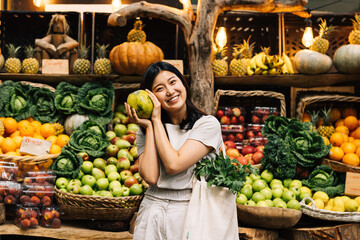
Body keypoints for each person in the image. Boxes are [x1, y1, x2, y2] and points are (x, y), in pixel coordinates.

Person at [125, 61, 223, 240]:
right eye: (160, 89)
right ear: (150, 97)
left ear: (183, 83)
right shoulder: (147, 130)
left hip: (190, 210)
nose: (170, 91)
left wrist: (155, 121)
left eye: (173, 82)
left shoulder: (207, 125)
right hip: (152, 210)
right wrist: (150, 126)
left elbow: (174, 164)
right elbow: (151, 177)